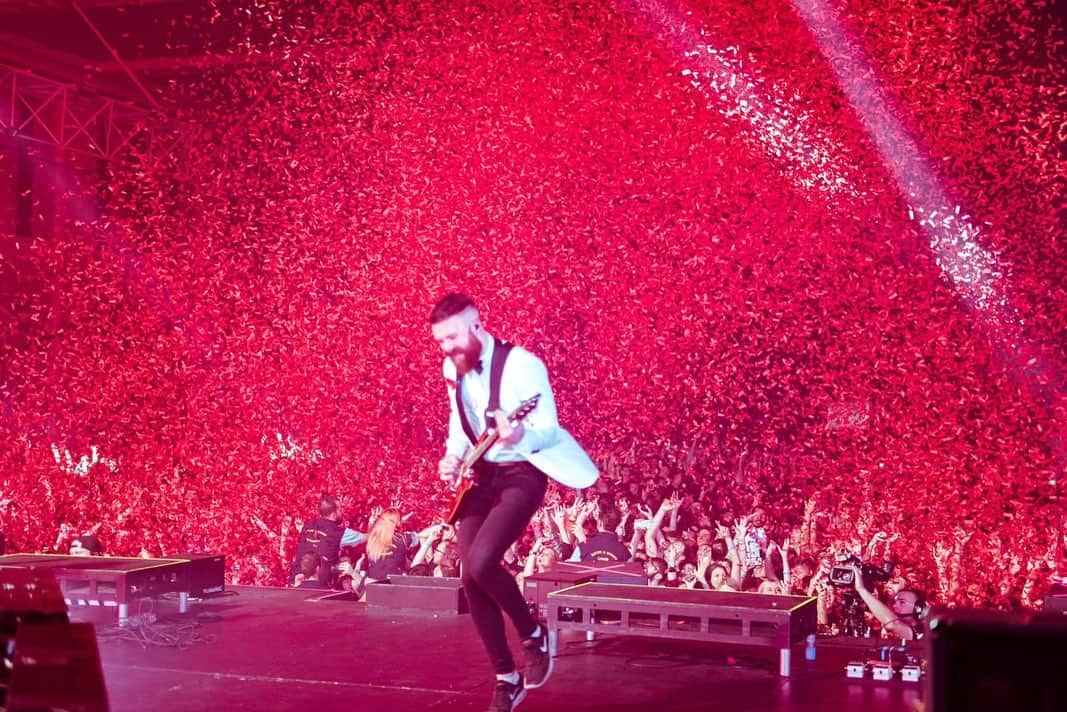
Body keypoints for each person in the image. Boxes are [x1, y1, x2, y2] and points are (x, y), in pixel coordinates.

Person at [430, 293, 598, 712]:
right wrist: (453, 456)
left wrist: (520, 435)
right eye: (440, 341)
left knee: (483, 561)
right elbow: (458, 419)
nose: (447, 348)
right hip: (481, 476)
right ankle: (507, 677)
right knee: (470, 578)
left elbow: (547, 427)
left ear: (476, 324)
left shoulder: (523, 365)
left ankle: (532, 633)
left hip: (522, 472)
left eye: (452, 337)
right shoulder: (452, 367)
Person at [290, 493, 364, 587]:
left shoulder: (307, 526)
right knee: (346, 562)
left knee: (345, 560)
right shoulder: (338, 533)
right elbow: (367, 538)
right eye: (340, 510)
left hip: (296, 579)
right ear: (333, 515)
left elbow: (318, 549)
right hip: (317, 585)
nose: (342, 512)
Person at [851, 564, 927, 641]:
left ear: (918, 608)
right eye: (894, 601)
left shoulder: (924, 633)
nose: (895, 605)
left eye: (902, 602)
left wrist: (861, 589)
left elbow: (893, 624)